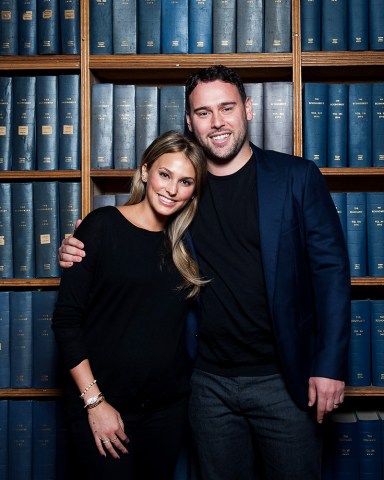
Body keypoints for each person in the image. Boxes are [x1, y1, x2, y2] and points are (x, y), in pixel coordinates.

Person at [58, 65, 351, 480]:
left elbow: (331, 275)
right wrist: (78, 248)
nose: (216, 122)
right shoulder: (183, 191)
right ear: (190, 121)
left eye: (227, 108)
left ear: (247, 109)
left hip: (284, 379)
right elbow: (130, 241)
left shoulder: (295, 178)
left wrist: (330, 364)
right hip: (206, 383)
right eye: (203, 112)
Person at [52, 130, 208, 480]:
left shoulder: (185, 244)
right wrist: (95, 403)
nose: (171, 189)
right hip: (103, 403)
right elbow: (66, 321)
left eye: (185, 182)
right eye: (165, 175)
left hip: (166, 410)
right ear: (144, 171)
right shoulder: (101, 226)